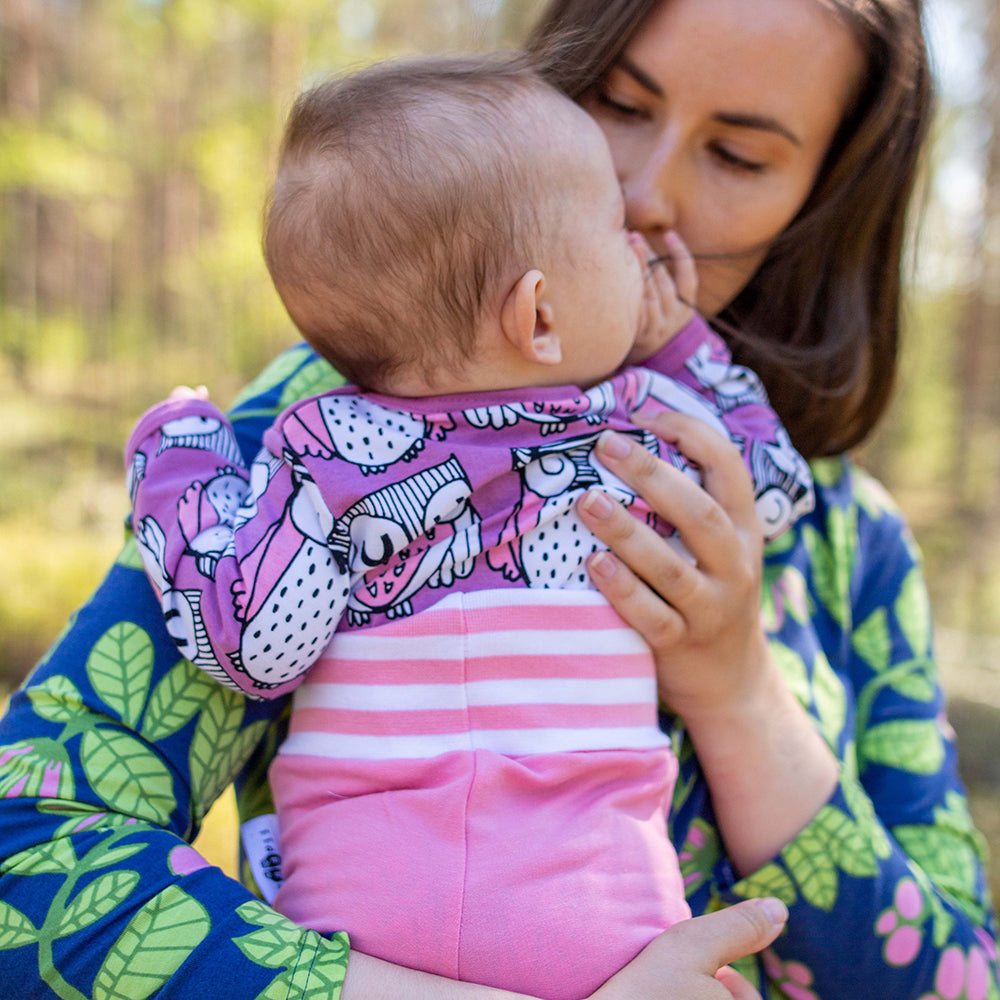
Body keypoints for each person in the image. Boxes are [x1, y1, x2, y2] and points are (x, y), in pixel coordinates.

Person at [0, 0, 995, 997]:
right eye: (618, 103)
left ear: (821, 200)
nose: (643, 196)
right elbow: (31, 864)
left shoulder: (853, 543)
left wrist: (738, 694)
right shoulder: (333, 428)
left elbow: (960, 977)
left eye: (737, 156)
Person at [123, 56, 814, 1000]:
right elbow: (769, 490)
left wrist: (180, 454)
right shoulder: (637, 428)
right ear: (540, 314)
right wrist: (684, 346)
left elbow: (251, 643)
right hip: (601, 927)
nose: (644, 243)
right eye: (615, 230)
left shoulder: (326, 447)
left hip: (359, 930)